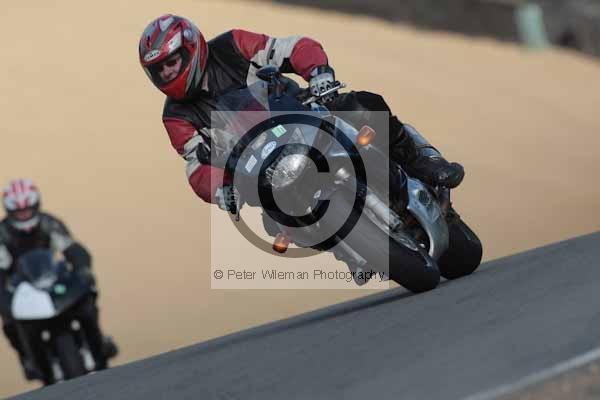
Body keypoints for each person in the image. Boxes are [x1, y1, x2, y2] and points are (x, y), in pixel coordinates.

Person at [138, 14, 482, 283]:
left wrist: (318, 73)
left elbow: (290, 47)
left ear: (192, 48)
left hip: (303, 116)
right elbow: (195, 166)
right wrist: (221, 188)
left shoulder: (232, 46)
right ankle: (347, 249)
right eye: (159, 69)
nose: (168, 72)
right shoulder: (176, 116)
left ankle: (421, 160)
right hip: (263, 167)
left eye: (172, 61)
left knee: (360, 107)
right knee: (274, 218)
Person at [0, 178, 117, 379]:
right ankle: (27, 358)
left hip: (54, 279)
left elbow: (73, 249)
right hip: (22, 289)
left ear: (36, 205)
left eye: (27, 209)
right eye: (19, 212)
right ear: (10, 211)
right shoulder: (2, 233)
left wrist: (82, 270)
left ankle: (98, 340)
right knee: (9, 322)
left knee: (87, 299)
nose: (24, 215)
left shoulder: (49, 223)